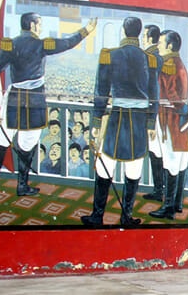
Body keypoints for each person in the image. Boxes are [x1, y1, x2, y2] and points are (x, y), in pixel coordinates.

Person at [0, 13, 96, 196]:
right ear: (33, 25)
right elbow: (66, 43)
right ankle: (22, 185)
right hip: (34, 99)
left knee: (2, 140)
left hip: (15, 98)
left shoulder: (10, 44)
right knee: (28, 143)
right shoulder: (42, 44)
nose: (40, 27)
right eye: (39, 24)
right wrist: (85, 32)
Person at [81, 17, 159, 227]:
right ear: (138, 32)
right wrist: (151, 123)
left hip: (118, 117)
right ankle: (126, 217)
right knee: (133, 170)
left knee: (105, 165)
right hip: (140, 120)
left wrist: (96, 123)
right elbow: (154, 95)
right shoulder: (149, 59)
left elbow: (101, 93)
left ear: (124, 32)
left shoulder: (109, 55)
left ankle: (97, 216)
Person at [149, 30, 188, 220]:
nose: (158, 46)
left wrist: (177, 107)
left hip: (170, 119)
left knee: (171, 161)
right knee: (180, 161)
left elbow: (173, 96)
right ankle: (177, 203)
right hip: (178, 120)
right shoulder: (178, 63)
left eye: (160, 43)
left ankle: (168, 208)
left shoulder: (169, 65)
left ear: (169, 46)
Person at [141, 25, 165, 202]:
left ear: (150, 38)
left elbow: (153, 90)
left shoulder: (151, 58)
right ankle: (160, 190)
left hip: (154, 112)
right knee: (156, 152)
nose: (142, 38)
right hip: (157, 112)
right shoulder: (158, 56)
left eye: (144, 35)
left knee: (155, 152)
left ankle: (159, 190)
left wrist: (151, 119)